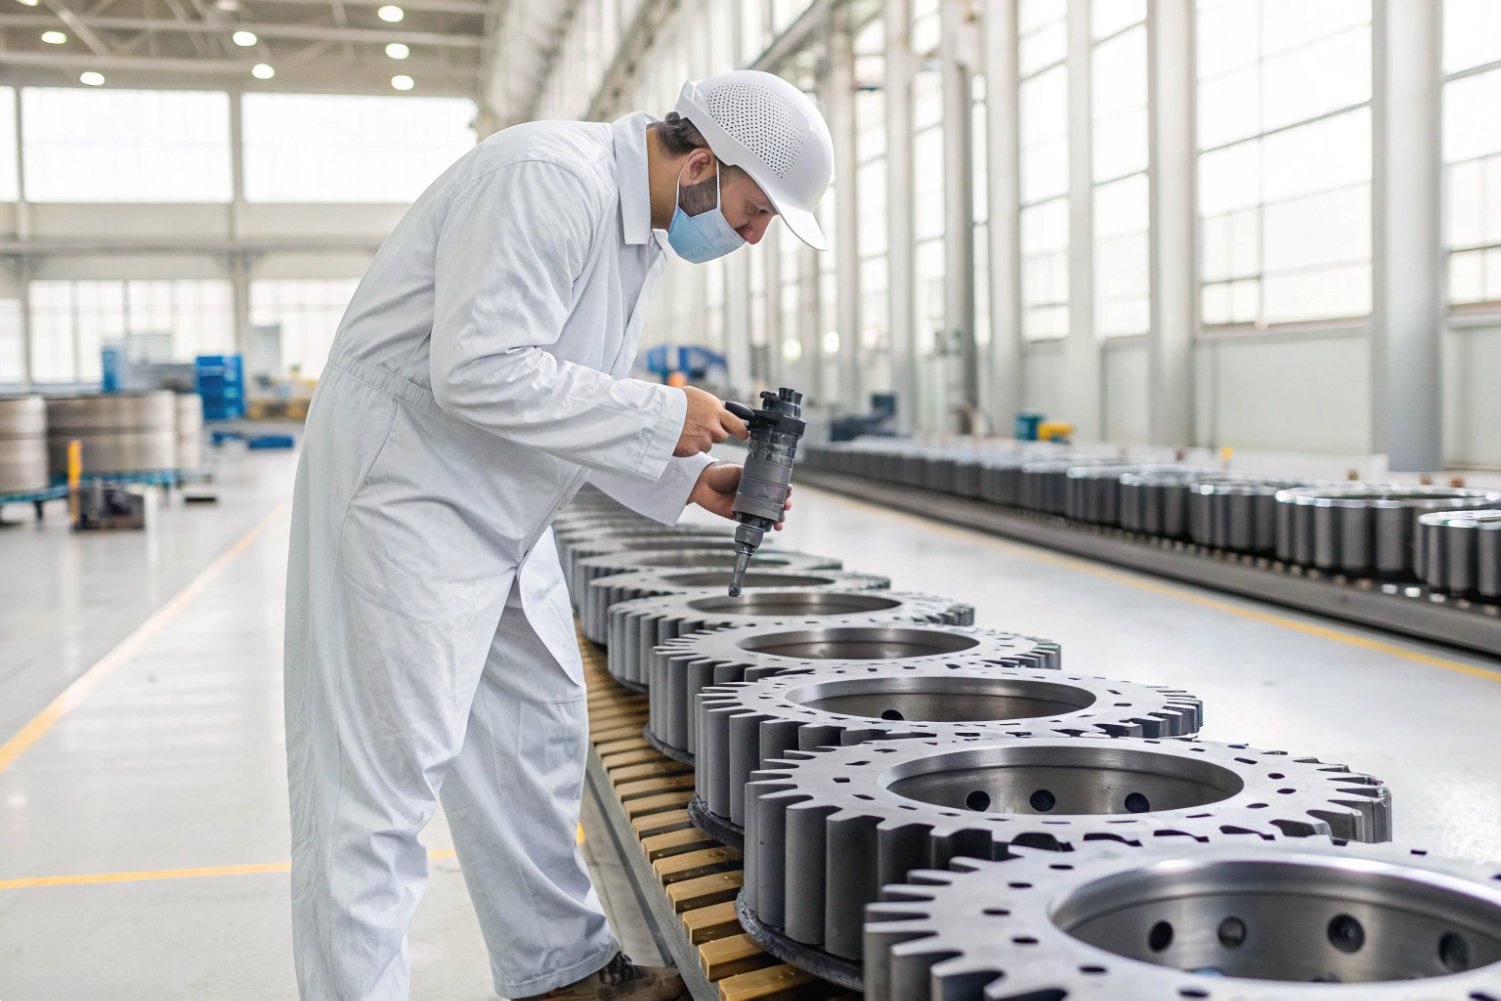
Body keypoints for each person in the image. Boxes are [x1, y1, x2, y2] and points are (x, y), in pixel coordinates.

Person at [283, 69, 834, 1000]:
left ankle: (559, 974)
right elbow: (480, 371)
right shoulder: (547, 178)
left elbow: (559, 399)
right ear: (701, 163)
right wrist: (663, 413)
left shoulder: (638, 236)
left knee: (531, 739)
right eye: (752, 212)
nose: (749, 236)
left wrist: (687, 475)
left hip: (499, 504)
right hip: (405, 501)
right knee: (376, 792)